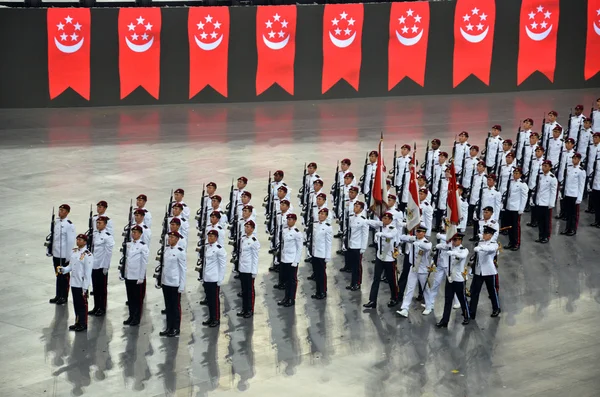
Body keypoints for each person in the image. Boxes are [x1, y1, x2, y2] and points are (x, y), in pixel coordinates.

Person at [363, 212, 400, 309]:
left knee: (391, 280)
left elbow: (390, 236)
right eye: (383, 218)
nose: (384, 220)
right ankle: (372, 300)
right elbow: (370, 222)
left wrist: (379, 234)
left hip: (389, 258)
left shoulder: (393, 229)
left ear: (391, 220)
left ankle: (394, 298)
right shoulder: (379, 225)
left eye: (387, 218)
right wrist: (363, 219)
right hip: (380, 257)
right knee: (376, 279)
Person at [58, 234, 93, 332]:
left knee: (82, 305)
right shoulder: (74, 252)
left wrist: (85, 287)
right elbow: (71, 266)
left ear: (85, 242)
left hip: (81, 283)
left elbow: (87, 272)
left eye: (80, 240)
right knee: (76, 304)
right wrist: (64, 269)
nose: (78, 241)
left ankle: (83, 323)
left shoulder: (88, 255)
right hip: (74, 283)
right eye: (77, 239)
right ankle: (77, 321)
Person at [435, 233, 470, 328]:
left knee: (462, 299)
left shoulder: (464, 250)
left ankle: (467, 316)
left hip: (458, 279)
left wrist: (453, 253)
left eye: (456, 240)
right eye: (453, 240)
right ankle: (444, 320)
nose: (454, 242)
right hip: (450, 278)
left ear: (460, 240)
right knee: (448, 300)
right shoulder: (450, 248)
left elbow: (462, 256)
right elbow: (439, 246)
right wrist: (445, 245)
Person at [470, 226, 501, 319]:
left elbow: (490, 249)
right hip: (479, 271)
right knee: (475, 292)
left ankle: (496, 308)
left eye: (486, 234)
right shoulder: (481, 242)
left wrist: (481, 248)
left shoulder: (494, 244)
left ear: (491, 235)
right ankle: (472, 311)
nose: (483, 235)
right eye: (483, 233)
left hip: (489, 271)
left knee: (492, 291)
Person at [160, 231, 186, 337]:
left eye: (172, 237)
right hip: (166, 282)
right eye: (169, 237)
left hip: (175, 283)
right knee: (168, 306)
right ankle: (168, 327)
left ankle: (175, 328)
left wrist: (182, 285)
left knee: (175, 307)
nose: (169, 239)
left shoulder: (180, 252)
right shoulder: (166, 250)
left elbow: (183, 269)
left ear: (177, 239)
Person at [49, 203, 77, 305]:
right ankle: (58, 294)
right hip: (56, 253)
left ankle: (64, 296)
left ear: (67, 212)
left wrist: (68, 257)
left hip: (63, 255)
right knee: (58, 275)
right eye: (60, 210)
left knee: (64, 277)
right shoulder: (56, 221)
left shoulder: (69, 225)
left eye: (63, 211)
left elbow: (70, 241)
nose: (60, 212)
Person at [123, 225, 149, 326]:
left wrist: (141, 277)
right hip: (128, 275)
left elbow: (144, 263)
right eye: (133, 232)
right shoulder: (128, 244)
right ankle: (131, 315)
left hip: (137, 276)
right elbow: (126, 260)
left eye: (136, 232)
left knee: (137, 299)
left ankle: (136, 318)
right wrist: (123, 273)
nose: (134, 234)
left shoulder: (143, 246)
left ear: (140, 234)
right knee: (130, 298)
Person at [200, 229, 226, 327]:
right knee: (209, 300)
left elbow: (222, 265)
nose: (210, 238)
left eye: (212, 236)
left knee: (215, 300)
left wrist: (220, 279)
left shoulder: (219, 249)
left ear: (216, 238)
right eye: (209, 236)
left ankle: (216, 319)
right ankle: (211, 317)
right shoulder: (207, 248)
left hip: (214, 278)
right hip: (207, 278)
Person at [89, 216, 114, 317]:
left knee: (102, 289)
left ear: (105, 224)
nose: (98, 224)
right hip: (94, 265)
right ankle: (96, 307)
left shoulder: (108, 237)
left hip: (101, 265)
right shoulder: (94, 235)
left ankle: (102, 308)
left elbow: (108, 253)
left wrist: (106, 266)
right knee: (95, 287)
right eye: (97, 223)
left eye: (100, 223)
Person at [277, 213, 303, 307]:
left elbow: (299, 248)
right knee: (286, 280)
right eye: (288, 219)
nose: (289, 221)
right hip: (285, 259)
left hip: (292, 260)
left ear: (295, 221)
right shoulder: (284, 231)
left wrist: (296, 261)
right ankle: (286, 297)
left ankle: (291, 299)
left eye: (291, 219)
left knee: (292, 281)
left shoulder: (297, 233)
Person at [344, 201, 369, 291]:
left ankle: (357, 283)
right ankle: (352, 283)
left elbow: (365, 235)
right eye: (355, 206)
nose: (355, 207)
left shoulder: (363, 220)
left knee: (357, 266)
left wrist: (363, 247)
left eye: (357, 206)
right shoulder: (351, 218)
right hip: (351, 244)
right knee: (352, 266)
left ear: (361, 209)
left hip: (358, 246)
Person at [238, 220, 260, 318]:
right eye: (245, 226)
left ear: (252, 229)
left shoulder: (254, 241)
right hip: (243, 268)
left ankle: (250, 309)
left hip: (249, 269)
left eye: (248, 227)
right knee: (244, 291)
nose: (246, 228)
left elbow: (255, 257)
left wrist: (254, 272)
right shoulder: (243, 239)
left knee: (249, 291)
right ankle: (244, 308)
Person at [560, 153, 586, 236]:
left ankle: (573, 229)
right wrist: (563, 193)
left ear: (579, 160)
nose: (574, 160)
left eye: (576, 158)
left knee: (574, 214)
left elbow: (581, 185)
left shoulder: (581, 171)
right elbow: (566, 183)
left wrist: (579, 198)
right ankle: (567, 228)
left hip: (575, 195)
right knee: (568, 213)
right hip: (568, 194)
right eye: (573, 158)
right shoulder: (569, 168)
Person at [503, 168, 528, 250]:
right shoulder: (511, 182)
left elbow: (524, 197)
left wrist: (521, 209)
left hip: (516, 208)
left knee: (516, 227)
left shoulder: (522, 184)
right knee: (510, 226)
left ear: (520, 175)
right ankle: (511, 242)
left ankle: (517, 243)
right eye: (514, 173)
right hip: (509, 207)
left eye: (517, 173)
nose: (515, 175)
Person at [310, 208, 332, 300]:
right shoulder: (316, 225)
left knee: (321, 274)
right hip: (315, 253)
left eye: (323, 214)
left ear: (326, 216)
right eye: (320, 214)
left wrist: (327, 256)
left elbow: (328, 243)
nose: (321, 216)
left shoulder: (327, 227)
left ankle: (322, 291)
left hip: (322, 254)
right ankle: (318, 291)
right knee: (317, 274)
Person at [535, 160, 558, 243]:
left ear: (550, 167)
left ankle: (546, 237)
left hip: (546, 203)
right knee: (540, 221)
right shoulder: (540, 176)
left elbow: (553, 191)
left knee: (546, 221)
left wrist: (551, 203)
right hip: (539, 201)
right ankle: (541, 236)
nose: (544, 167)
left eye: (546, 166)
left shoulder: (552, 178)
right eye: (543, 165)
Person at [394, 144, 412, 211]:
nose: (402, 151)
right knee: (398, 197)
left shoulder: (410, 160)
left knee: (405, 197)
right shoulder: (398, 159)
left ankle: (404, 210)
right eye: (402, 149)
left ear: (408, 151)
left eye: (404, 149)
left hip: (406, 181)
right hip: (399, 181)